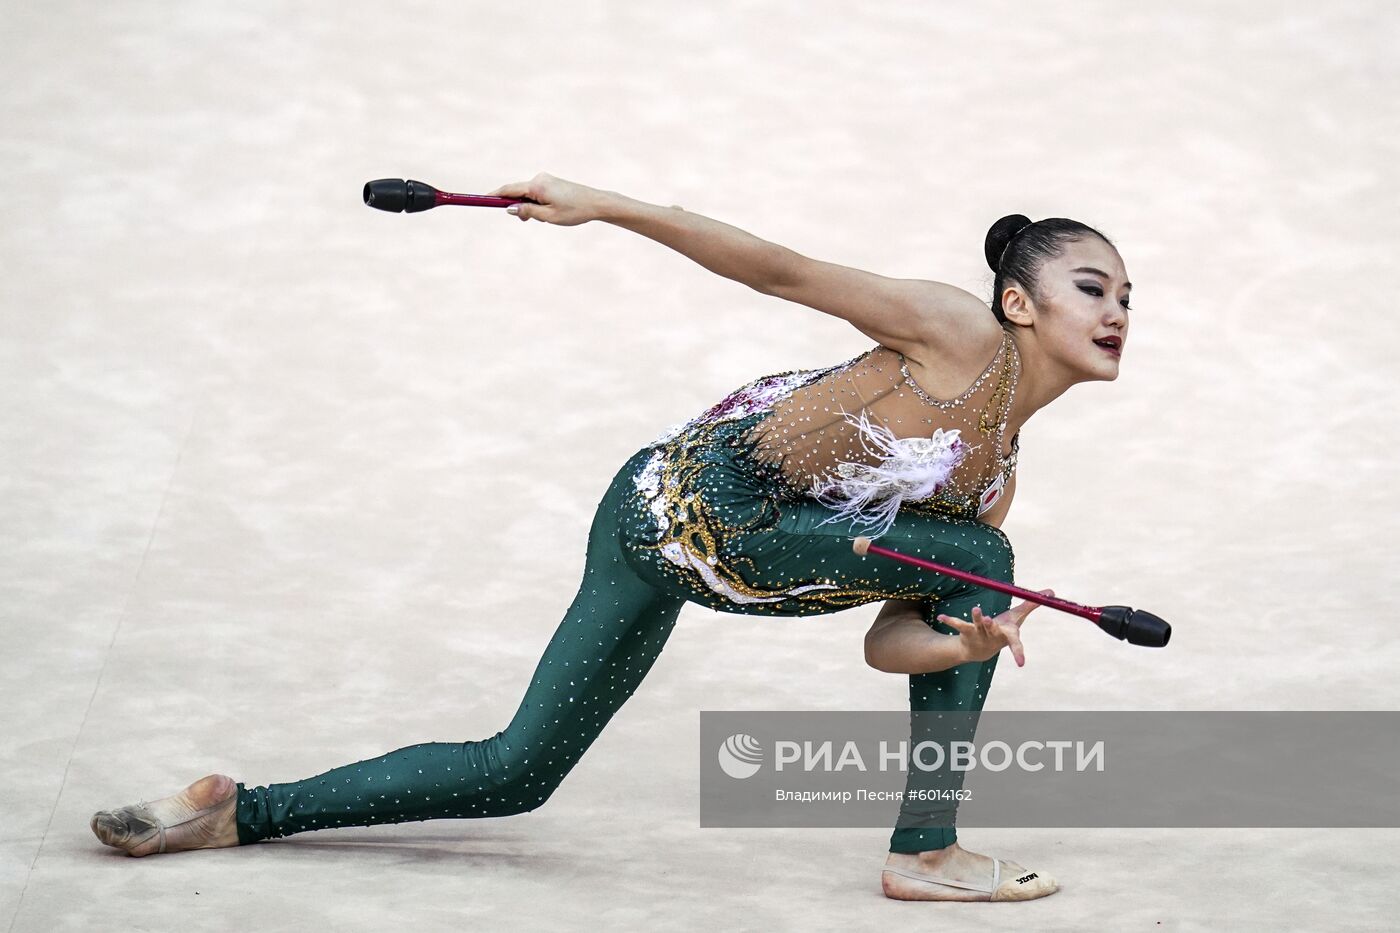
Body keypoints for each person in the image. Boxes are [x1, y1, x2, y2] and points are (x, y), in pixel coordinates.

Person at [91, 172, 1132, 903]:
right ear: (1015, 300)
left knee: (513, 774)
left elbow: (883, 645)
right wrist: (605, 205)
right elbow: (778, 270)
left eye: (1128, 296)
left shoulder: (990, 481)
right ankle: (925, 850)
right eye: (1092, 287)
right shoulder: (958, 333)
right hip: (698, 510)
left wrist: (956, 643)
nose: (1117, 310)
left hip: (669, 528)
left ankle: (237, 811)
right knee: (986, 564)